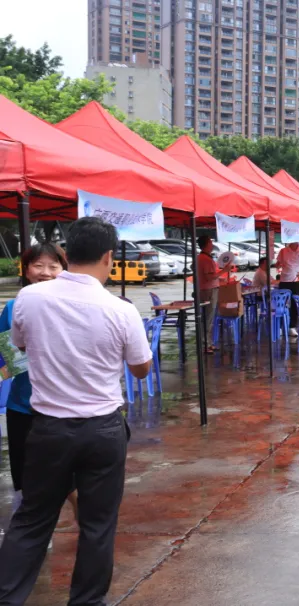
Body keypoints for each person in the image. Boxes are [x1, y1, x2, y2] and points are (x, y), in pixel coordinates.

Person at [0, 217, 152, 605]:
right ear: (108, 257)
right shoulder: (120, 309)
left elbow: (20, 345)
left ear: (67, 255)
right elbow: (140, 368)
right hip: (102, 430)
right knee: (98, 524)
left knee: (32, 520)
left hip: (48, 428)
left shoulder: (29, 300)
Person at [1, 244, 79, 530]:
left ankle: (81, 514)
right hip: (23, 405)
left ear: (64, 270)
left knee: (65, 473)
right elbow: (8, 357)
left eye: (53, 266)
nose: (45, 272)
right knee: (26, 476)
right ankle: (37, 534)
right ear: (26, 269)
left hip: (62, 406)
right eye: (38, 265)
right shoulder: (13, 307)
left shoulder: (75, 305)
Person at [197, 235, 234, 353]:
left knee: (208, 318)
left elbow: (209, 275)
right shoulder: (205, 259)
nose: (212, 244)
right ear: (206, 244)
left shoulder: (202, 258)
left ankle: (208, 342)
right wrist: (224, 271)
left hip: (207, 289)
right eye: (210, 242)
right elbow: (209, 277)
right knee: (208, 318)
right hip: (209, 291)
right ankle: (205, 344)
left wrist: (220, 277)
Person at [275, 241, 299, 338]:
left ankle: (292, 327)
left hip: (296, 281)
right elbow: (277, 264)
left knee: (295, 304)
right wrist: (279, 265)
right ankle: (280, 326)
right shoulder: (283, 251)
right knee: (281, 304)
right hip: (284, 280)